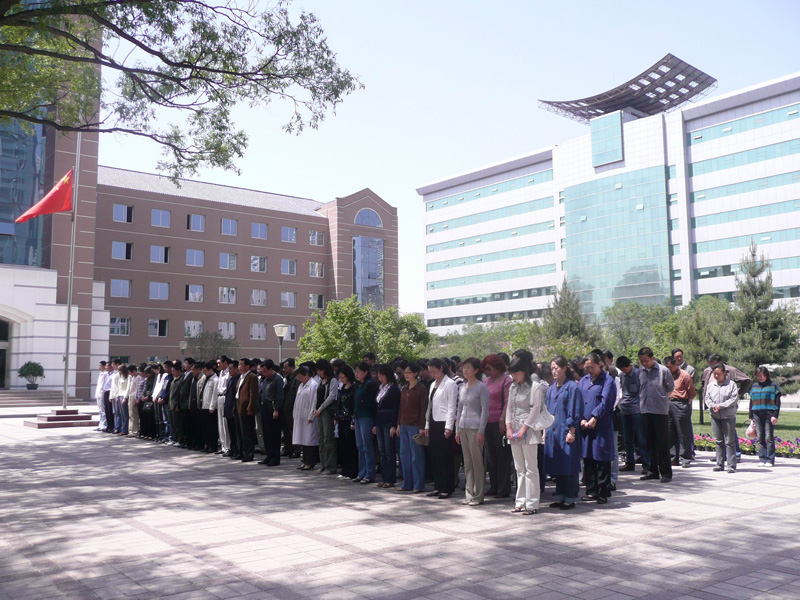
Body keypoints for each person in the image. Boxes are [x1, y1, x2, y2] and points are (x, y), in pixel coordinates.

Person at [506, 357, 546, 515]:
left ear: (524, 371)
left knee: (531, 467)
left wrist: (524, 429)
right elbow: (509, 407)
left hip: (529, 430)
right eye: (512, 374)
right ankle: (520, 501)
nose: (514, 377)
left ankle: (532, 503)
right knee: (519, 467)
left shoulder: (535, 386)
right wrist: (509, 427)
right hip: (514, 429)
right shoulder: (513, 386)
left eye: (516, 373)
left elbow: (535, 409)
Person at [545, 356, 584, 510]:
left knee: (569, 464)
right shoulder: (551, 388)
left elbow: (575, 410)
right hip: (553, 431)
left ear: (565, 368)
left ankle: (570, 497)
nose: (554, 371)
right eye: (552, 368)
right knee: (558, 463)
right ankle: (560, 495)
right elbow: (547, 410)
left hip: (566, 431)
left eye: (557, 368)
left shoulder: (572, 387)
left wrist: (572, 431)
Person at [578, 353, 617, 504]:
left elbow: (606, 402)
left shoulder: (607, 380)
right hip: (585, 426)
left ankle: (603, 491)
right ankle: (591, 490)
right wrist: (581, 418)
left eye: (592, 367)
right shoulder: (584, 380)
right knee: (588, 457)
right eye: (587, 367)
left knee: (601, 457)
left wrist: (595, 417)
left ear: (599, 364)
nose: (589, 370)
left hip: (601, 425)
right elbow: (579, 401)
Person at [454, 357, 489, 506]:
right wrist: (457, 429)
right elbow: (459, 409)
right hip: (463, 427)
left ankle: (478, 495)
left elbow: (485, 411)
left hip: (475, 428)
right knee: (467, 462)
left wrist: (481, 431)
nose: (465, 370)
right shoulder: (462, 387)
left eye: (468, 367)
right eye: (464, 367)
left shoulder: (481, 387)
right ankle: (469, 494)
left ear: (476, 370)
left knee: (477, 462)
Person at [638, 347, 675, 483]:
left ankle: (666, 473)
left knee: (662, 443)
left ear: (652, 358)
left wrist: (661, 400)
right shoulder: (640, 371)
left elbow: (670, 389)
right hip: (645, 410)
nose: (644, 363)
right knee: (649, 443)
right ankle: (652, 471)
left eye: (646, 360)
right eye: (642, 361)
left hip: (660, 411)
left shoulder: (663, 371)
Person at [425, 358, 458, 499]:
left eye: (434, 371)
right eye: (430, 371)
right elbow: (430, 405)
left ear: (441, 368)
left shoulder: (450, 384)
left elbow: (452, 406)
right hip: (434, 421)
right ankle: (438, 485)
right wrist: (427, 424)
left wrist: (449, 426)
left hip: (444, 422)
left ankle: (447, 487)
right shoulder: (433, 384)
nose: (432, 374)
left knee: (445, 456)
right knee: (435, 455)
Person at [481, 354, 513, 499]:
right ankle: (494, 486)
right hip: (487, 422)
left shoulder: (506, 380)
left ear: (498, 367)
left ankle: (503, 488)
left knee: (502, 456)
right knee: (491, 457)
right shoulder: (485, 381)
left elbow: (508, 402)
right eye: (485, 369)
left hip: (499, 423)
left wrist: (502, 419)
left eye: (489, 369)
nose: (487, 372)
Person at [395, 363, 427, 493]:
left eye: (409, 372)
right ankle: (407, 483)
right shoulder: (405, 388)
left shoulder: (421, 388)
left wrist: (422, 426)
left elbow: (424, 408)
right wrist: (398, 423)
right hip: (403, 424)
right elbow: (401, 407)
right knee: (404, 455)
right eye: (405, 372)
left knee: (416, 455)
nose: (406, 375)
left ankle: (418, 484)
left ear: (415, 373)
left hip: (415, 425)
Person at [705, 364, 741, 473]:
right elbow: (707, 398)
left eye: (718, 374)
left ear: (724, 373)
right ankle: (719, 464)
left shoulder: (731, 384)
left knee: (729, 441)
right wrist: (712, 406)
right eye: (714, 374)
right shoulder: (711, 385)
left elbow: (733, 399)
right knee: (718, 441)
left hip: (728, 416)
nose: (716, 376)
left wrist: (721, 406)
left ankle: (731, 465)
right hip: (715, 416)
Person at [615, 356, 648, 473]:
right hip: (625, 410)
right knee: (627, 439)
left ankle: (646, 464)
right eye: (621, 369)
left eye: (625, 368)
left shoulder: (639, 374)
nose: (624, 371)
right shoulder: (622, 376)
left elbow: (643, 392)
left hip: (637, 410)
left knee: (641, 439)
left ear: (629, 365)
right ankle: (630, 462)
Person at [665, 356, 695, 468]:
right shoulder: (666, 375)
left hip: (681, 404)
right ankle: (672, 457)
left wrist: (686, 403)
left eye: (670, 367)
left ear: (675, 365)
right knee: (669, 431)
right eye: (667, 367)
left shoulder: (685, 375)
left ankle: (685, 458)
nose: (669, 369)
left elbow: (691, 392)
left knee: (683, 433)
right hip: (668, 403)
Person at [749, 366, 781, 468]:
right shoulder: (754, 386)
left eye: (762, 375)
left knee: (769, 437)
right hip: (756, 413)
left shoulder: (773, 386)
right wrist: (751, 416)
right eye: (758, 376)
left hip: (769, 413)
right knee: (760, 436)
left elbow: (777, 402)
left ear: (766, 375)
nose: (760, 377)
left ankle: (770, 459)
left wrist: (775, 415)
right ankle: (762, 458)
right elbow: (751, 401)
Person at [374, 364, 400, 488]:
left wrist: (394, 425)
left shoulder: (393, 389)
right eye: (378, 376)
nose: (380, 378)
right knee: (382, 451)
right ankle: (384, 477)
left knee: (389, 451)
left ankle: (390, 478)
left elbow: (396, 408)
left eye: (382, 376)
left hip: (389, 421)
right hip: (380, 421)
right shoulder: (380, 388)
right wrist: (375, 423)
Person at [353, 361, 378, 483]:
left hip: (367, 417)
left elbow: (374, 404)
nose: (356, 374)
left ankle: (369, 473)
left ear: (365, 372)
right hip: (358, 417)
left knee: (367, 445)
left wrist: (375, 422)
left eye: (359, 372)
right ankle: (361, 472)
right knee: (360, 445)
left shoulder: (370, 384)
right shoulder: (359, 385)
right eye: (356, 372)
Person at [313, 359, 338, 474]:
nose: (319, 373)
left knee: (328, 438)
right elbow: (316, 396)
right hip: (319, 412)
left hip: (327, 412)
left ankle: (330, 466)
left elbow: (331, 396)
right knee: (321, 438)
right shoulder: (320, 381)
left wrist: (321, 408)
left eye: (320, 370)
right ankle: (323, 464)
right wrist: (315, 410)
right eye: (318, 371)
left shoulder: (333, 380)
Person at [335, 364, 359, 480]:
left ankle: (352, 470)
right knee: (343, 444)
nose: (341, 379)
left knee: (351, 445)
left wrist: (353, 420)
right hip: (342, 419)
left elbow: (354, 405)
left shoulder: (354, 387)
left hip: (350, 420)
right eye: (340, 377)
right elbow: (339, 403)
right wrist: (336, 417)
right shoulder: (343, 387)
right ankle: (345, 469)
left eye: (343, 377)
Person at [293, 365, 319, 470]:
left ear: (307, 374)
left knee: (309, 440)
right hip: (300, 416)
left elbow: (314, 401)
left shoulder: (313, 385)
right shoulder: (301, 385)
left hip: (308, 416)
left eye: (301, 377)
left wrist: (311, 415)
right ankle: (305, 460)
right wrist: (295, 414)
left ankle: (310, 462)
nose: (300, 379)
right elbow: (297, 400)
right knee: (302, 439)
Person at [236, 358, 259, 462]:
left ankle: (249, 454)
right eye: (239, 365)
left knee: (248, 432)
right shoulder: (240, 377)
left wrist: (250, 407)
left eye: (241, 365)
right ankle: (241, 452)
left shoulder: (252, 377)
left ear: (247, 366)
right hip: (239, 406)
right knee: (241, 432)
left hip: (246, 408)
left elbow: (253, 394)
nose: (239, 367)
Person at [281, 358, 300, 458]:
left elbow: (297, 394)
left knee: (293, 430)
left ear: (292, 367)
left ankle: (296, 450)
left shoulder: (296, 379)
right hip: (286, 408)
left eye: (286, 368)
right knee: (286, 430)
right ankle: (287, 448)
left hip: (293, 408)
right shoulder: (286, 379)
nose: (284, 370)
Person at [199, 361, 219, 453]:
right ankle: (207, 445)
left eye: (205, 371)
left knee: (211, 429)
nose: (204, 373)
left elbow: (215, 394)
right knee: (205, 428)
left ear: (211, 370)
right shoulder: (206, 379)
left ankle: (212, 446)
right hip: (204, 406)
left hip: (210, 408)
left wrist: (212, 407)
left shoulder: (215, 380)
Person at [215, 356, 232, 456]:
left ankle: (228, 447)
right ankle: (223, 446)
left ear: (225, 362)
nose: (218, 365)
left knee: (225, 424)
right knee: (220, 423)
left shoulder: (229, 373)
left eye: (219, 363)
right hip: (219, 397)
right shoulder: (220, 373)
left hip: (225, 397)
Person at [114, 364, 131, 435]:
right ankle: (121, 428)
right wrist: (116, 396)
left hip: (124, 396)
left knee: (125, 414)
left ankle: (125, 429)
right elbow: (119, 387)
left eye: (120, 370)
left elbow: (128, 388)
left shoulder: (129, 377)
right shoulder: (121, 377)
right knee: (120, 413)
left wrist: (125, 397)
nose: (119, 372)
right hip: (119, 395)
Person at [94, 361, 109, 432]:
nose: (99, 367)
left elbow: (104, 385)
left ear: (104, 366)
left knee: (103, 410)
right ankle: (100, 425)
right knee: (100, 410)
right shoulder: (101, 373)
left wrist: (103, 393)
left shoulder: (106, 374)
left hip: (102, 394)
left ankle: (104, 425)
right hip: (98, 394)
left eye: (100, 365)